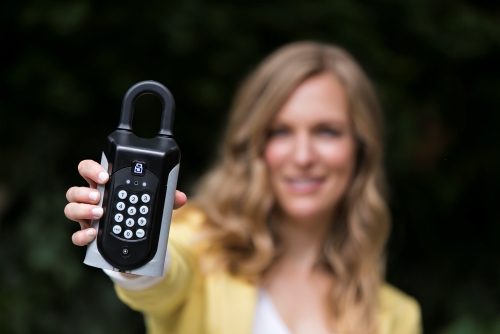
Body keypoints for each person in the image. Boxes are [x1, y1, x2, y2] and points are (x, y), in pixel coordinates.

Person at [65, 42, 421, 334]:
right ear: (254, 145)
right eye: (280, 131)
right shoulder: (199, 241)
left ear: (361, 148)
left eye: (326, 131)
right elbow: (165, 275)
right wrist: (132, 252)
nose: (303, 156)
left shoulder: (398, 317)